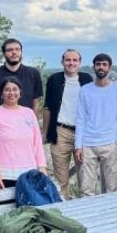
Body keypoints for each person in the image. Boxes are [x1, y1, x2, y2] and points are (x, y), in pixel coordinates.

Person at [74, 53, 117, 233]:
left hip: (110, 144)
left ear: (110, 67)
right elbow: (80, 118)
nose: (101, 67)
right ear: (94, 67)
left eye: (104, 64)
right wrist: (78, 145)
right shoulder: (85, 90)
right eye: (98, 64)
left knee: (113, 191)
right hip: (88, 143)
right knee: (87, 190)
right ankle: (91, 230)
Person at [43, 49, 93, 199]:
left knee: (85, 176)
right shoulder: (54, 79)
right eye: (68, 60)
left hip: (83, 134)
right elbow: (47, 107)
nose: (71, 63)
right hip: (61, 131)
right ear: (62, 62)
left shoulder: (87, 79)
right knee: (61, 177)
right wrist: (45, 132)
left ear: (80, 63)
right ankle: (64, 206)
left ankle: (86, 206)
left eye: (74, 60)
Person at [0, 76, 47, 189]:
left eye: (15, 89)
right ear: (1, 94)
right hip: (3, 175)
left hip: (29, 172)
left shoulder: (29, 113)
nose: (11, 93)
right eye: (7, 90)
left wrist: (42, 167)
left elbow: (37, 142)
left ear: (20, 93)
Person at [0, 38, 43, 110]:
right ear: (4, 54)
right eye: (10, 50)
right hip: (0, 117)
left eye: (17, 49)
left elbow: (36, 102)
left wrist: (33, 117)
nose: (14, 52)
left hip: (26, 117)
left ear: (21, 52)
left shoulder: (33, 73)